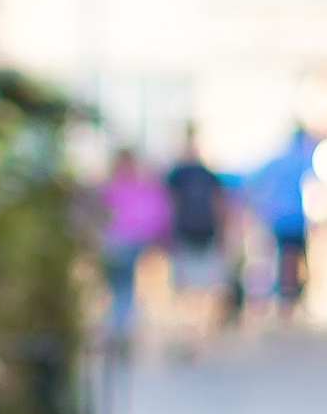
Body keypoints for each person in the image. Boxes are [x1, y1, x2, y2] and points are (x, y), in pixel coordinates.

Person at [163, 127, 229, 347]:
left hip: (192, 233)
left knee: (194, 284)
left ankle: (194, 329)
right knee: (199, 283)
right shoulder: (199, 175)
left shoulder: (180, 175)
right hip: (195, 234)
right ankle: (196, 329)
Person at [97, 149, 171, 343]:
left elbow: (156, 216)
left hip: (124, 245)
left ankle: (119, 327)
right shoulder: (116, 189)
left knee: (122, 288)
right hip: (118, 245)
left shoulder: (126, 188)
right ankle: (120, 328)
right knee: (121, 288)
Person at [246, 126, 316, 314]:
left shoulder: (278, 160)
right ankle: (291, 303)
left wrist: (262, 207)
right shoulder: (304, 159)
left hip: (277, 219)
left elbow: (253, 182)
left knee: (282, 261)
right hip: (297, 220)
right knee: (297, 262)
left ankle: (283, 302)